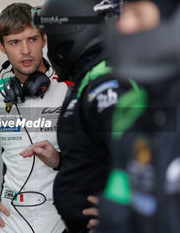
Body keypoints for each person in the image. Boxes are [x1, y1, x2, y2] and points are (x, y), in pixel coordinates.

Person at [21, 0, 133, 232]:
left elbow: (142, 156)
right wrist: (60, 161)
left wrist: (123, 211)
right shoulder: (89, 80)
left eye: (49, 38)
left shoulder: (107, 86)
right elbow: (96, 156)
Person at [0, 3, 68, 233]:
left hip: (62, 216)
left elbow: (97, 153)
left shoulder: (69, 89)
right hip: (11, 219)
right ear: (2, 46)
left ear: (44, 39)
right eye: (14, 42)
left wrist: (59, 159)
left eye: (32, 39)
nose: (26, 51)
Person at [96, 1, 180, 233]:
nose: (123, 24)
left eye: (139, 15)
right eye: (126, 12)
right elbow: (118, 201)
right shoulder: (130, 107)